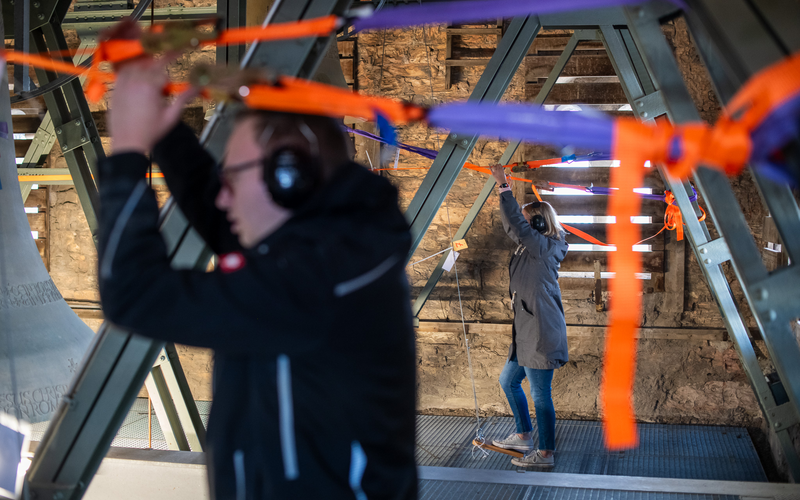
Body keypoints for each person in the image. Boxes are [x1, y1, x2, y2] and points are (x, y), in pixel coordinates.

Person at [97, 53, 417, 499]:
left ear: (289, 178)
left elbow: (132, 294)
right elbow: (219, 208)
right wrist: (163, 132)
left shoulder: (313, 285)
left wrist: (128, 150)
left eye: (232, 178)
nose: (223, 199)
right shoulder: (331, 250)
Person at [488, 164, 569, 469]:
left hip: (539, 330)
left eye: (526, 220)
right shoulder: (530, 245)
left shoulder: (543, 247)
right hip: (525, 328)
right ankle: (524, 435)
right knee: (508, 381)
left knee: (539, 393)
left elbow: (518, 227)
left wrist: (503, 186)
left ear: (536, 224)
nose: (520, 226)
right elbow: (514, 228)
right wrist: (506, 203)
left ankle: (545, 454)